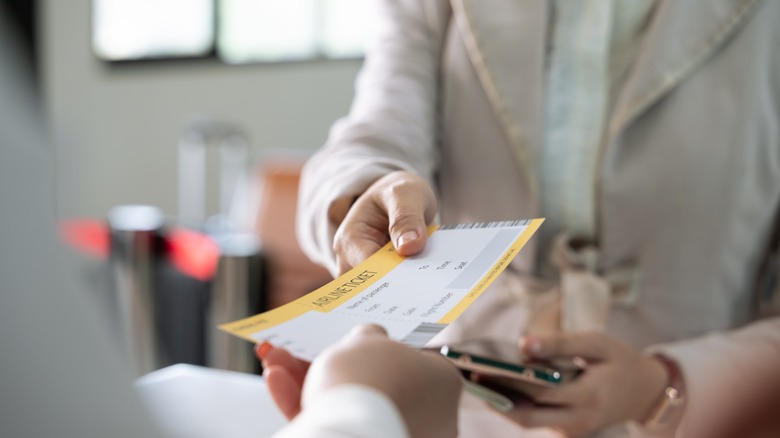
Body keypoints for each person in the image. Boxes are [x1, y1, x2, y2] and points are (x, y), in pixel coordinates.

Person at [296, 0, 780, 437]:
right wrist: (366, 191)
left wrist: (665, 385)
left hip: (696, 419)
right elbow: (374, 133)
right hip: (458, 409)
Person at [0, 3, 461, 437]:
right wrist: (364, 407)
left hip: (459, 355)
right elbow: (376, 128)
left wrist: (356, 403)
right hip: (444, 378)